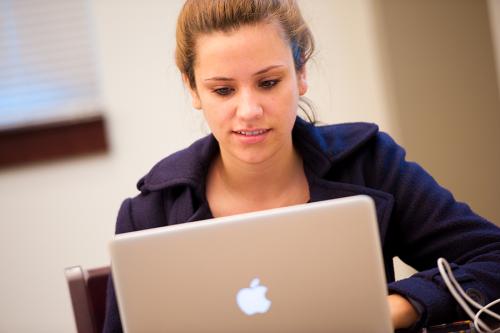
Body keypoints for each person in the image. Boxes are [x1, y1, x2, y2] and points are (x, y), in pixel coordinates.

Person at [103, 0, 500, 332]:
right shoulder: (148, 214)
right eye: (223, 90)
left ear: (301, 73)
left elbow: (493, 258)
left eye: (269, 82)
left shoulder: (370, 163)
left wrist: (392, 308)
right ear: (192, 88)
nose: (249, 111)